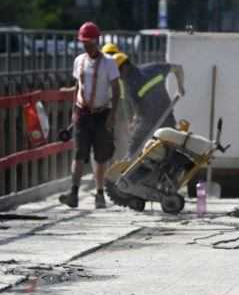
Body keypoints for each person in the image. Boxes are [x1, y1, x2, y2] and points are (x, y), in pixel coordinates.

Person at [59, 22, 121, 209]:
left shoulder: (109, 63)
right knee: (79, 154)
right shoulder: (79, 61)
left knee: (101, 156)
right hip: (82, 113)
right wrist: (73, 113)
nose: (87, 46)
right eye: (84, 42)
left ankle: (100, 193)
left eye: (90, 42)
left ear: (97, 41)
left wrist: (112, 115)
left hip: (102, 113)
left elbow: (116, 90)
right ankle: (74, 193)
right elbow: (78, 87)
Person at [110, 51, 185, 158]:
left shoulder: (131, 85)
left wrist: (134, 123)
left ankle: (128, 167)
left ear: (125, 67)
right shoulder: (153, 68)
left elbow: (138, 111)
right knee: (171, 148)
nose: (119, 78)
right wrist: (180, 87)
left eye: (118, 73)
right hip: (166, 117)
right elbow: (178, 68)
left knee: (134, 148)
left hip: (149, 122)